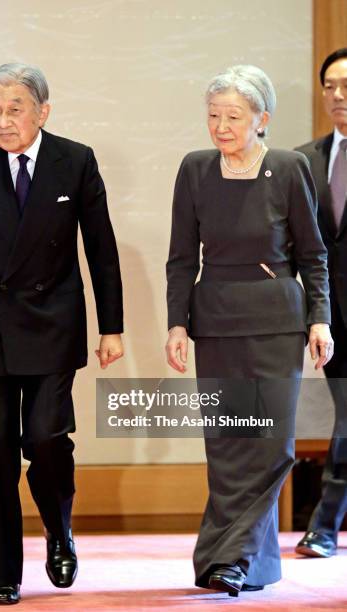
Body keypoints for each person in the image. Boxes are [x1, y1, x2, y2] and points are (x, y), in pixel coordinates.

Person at [0, 63, 124, 605]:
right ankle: (2, 574)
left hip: (54, 323)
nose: (3, 120)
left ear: (43, 112)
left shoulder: (75, 160)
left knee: (45, 439)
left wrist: (112, 327)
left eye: (15, 109)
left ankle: (58, 528)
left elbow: (100, 250)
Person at [166, 65, 333, 596]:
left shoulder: (288, 168)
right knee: (228, 441)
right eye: (213, 116)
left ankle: (229, 556)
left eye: (233, 116)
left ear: (262, 119)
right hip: (214, 320)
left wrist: (320, 317)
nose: (220, 126)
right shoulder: (195, 169)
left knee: (272, 444)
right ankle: (238, 562)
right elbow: (178, 258)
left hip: (277, 321)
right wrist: (176, 322)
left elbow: (312, 252)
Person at [295, 48, 347, 559]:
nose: (338, 94)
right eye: (330, 84)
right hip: (330, 316)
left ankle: (326, 524)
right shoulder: (303, 160)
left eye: (346, 84)